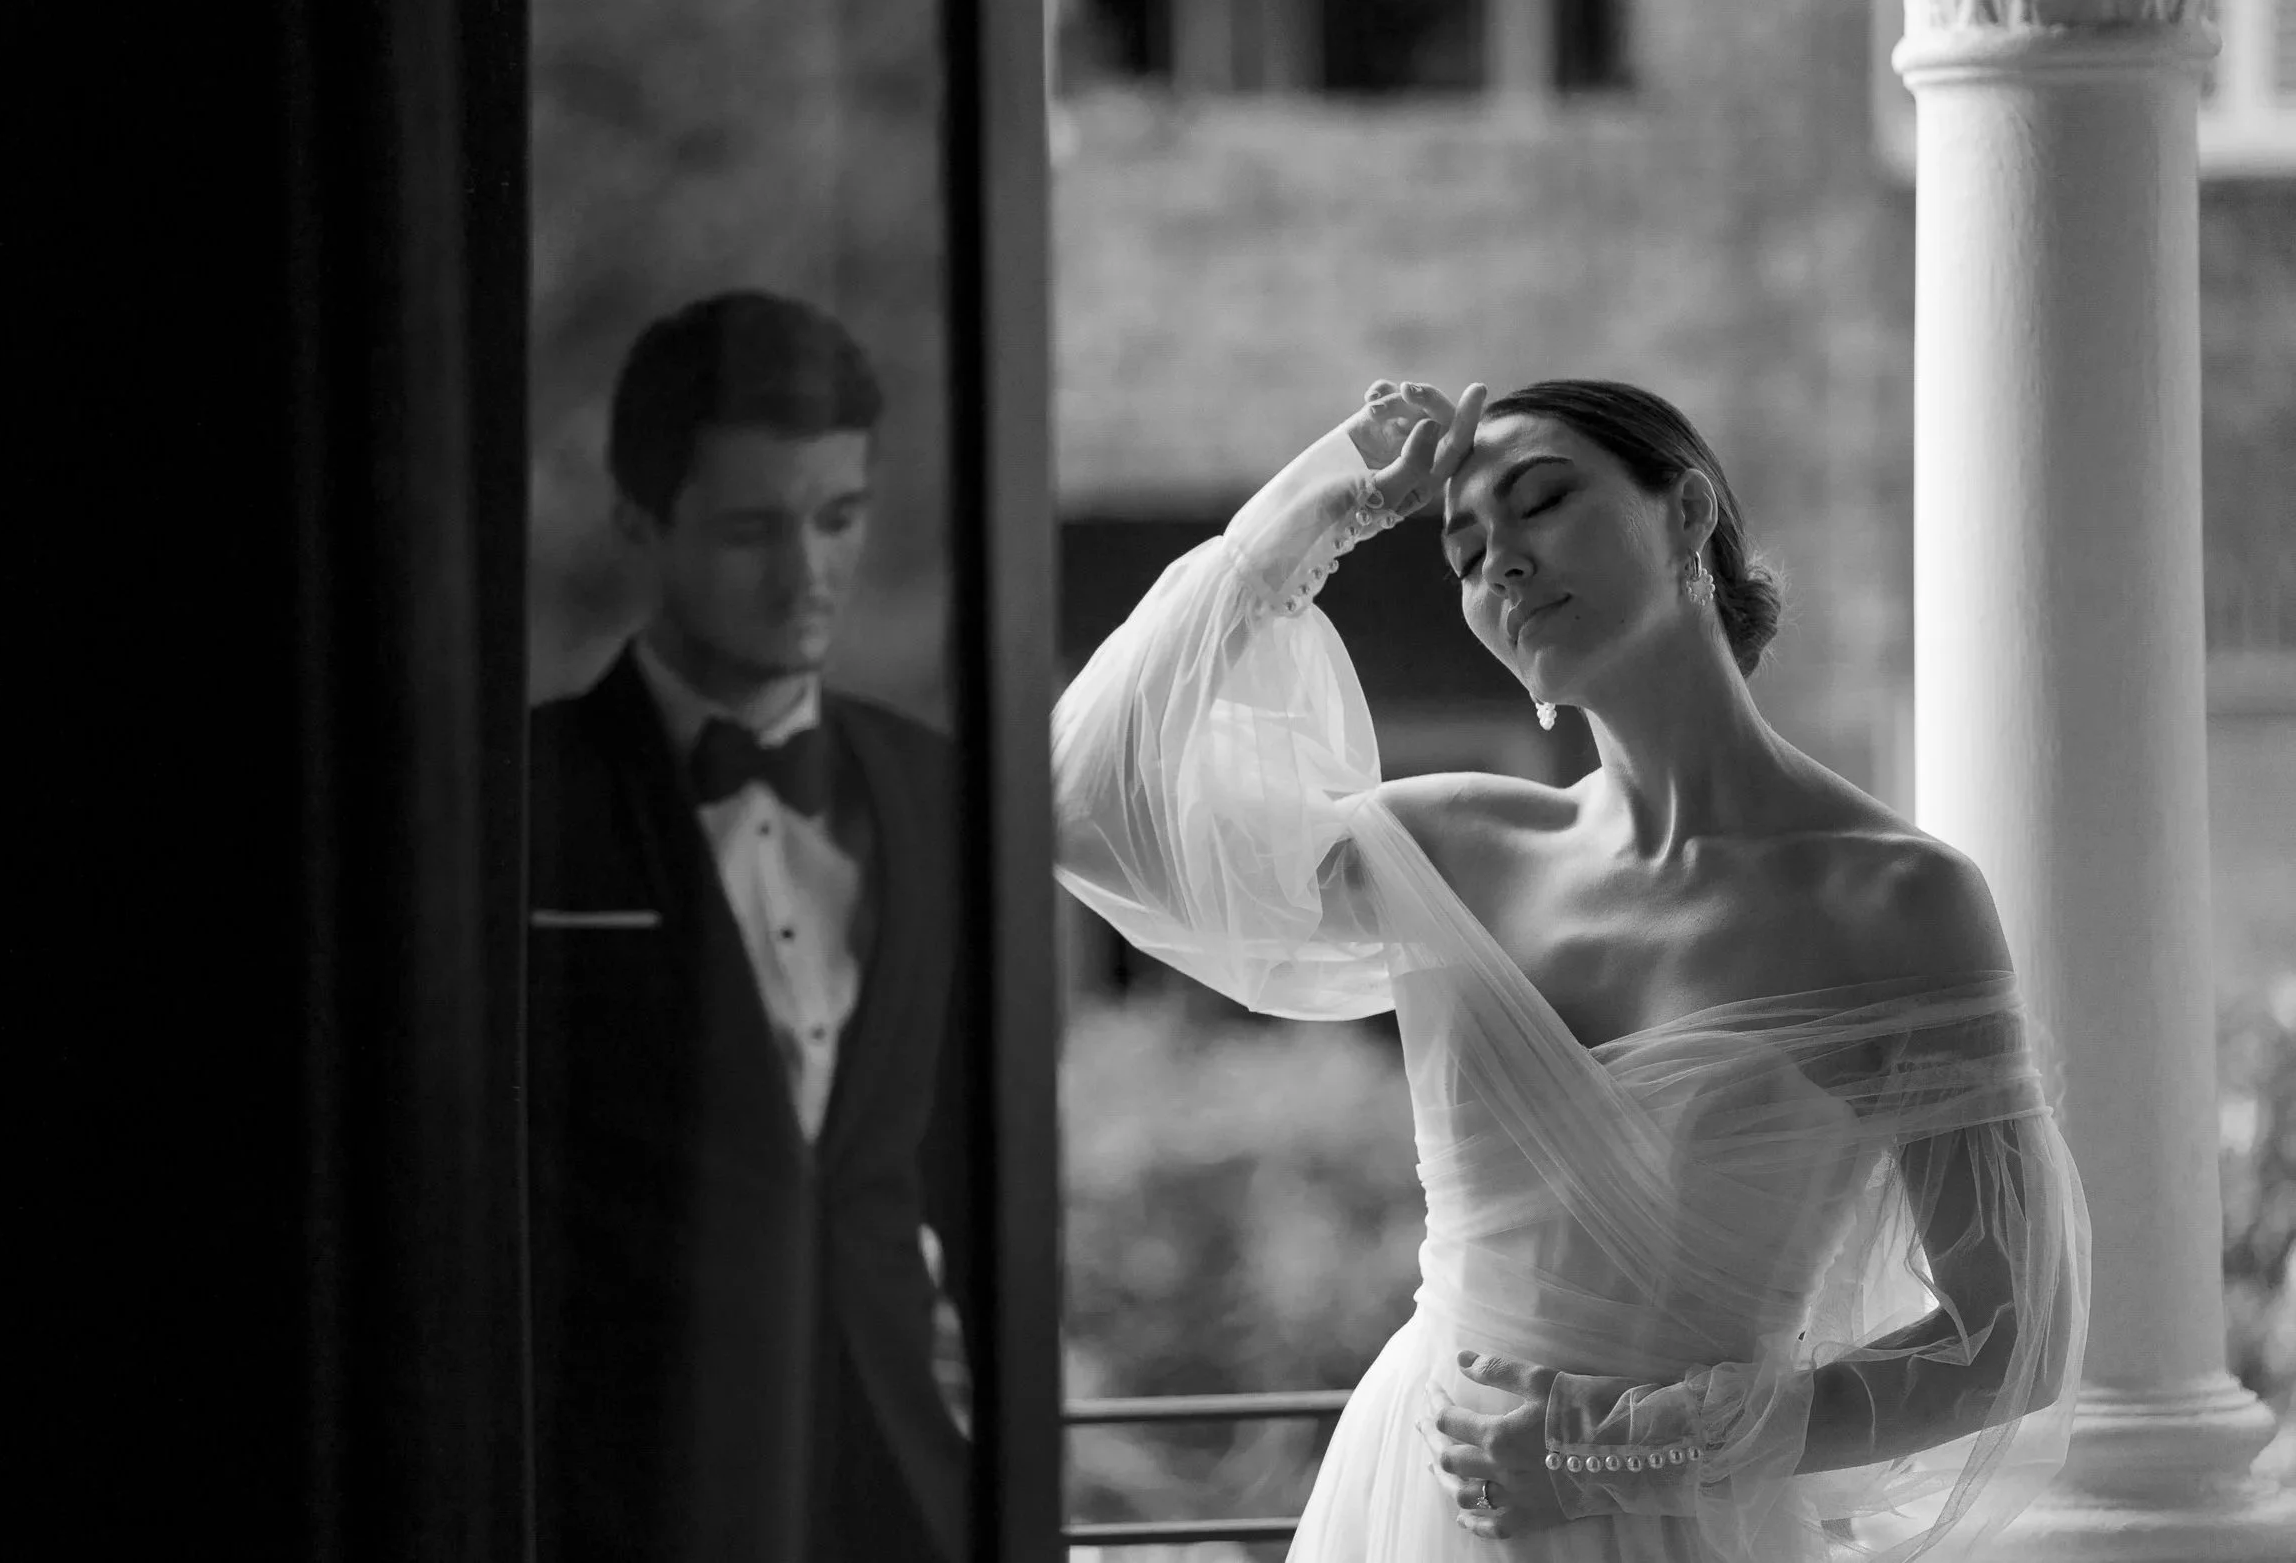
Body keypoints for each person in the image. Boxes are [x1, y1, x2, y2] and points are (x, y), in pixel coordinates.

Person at [1053, 377, 2089, 1561]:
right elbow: (1079, 802)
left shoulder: (1899, 901)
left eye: (1540, 502)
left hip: (1687, 1527)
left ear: (1689, 513)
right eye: (1461, 547)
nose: (1499, 560)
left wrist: (1623, 1450)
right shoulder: (1453, 849)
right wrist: (1315, 507)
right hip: (1414, 1502)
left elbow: (2009, 1337)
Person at [528, 289, 974, 1563]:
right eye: (749, 529)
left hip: (904, 1482)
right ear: (637, 523)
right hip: (614, 1488)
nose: (808, 573)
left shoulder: (936, 790)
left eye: (838, 517)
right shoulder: (518, 801)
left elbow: (970, 1156)